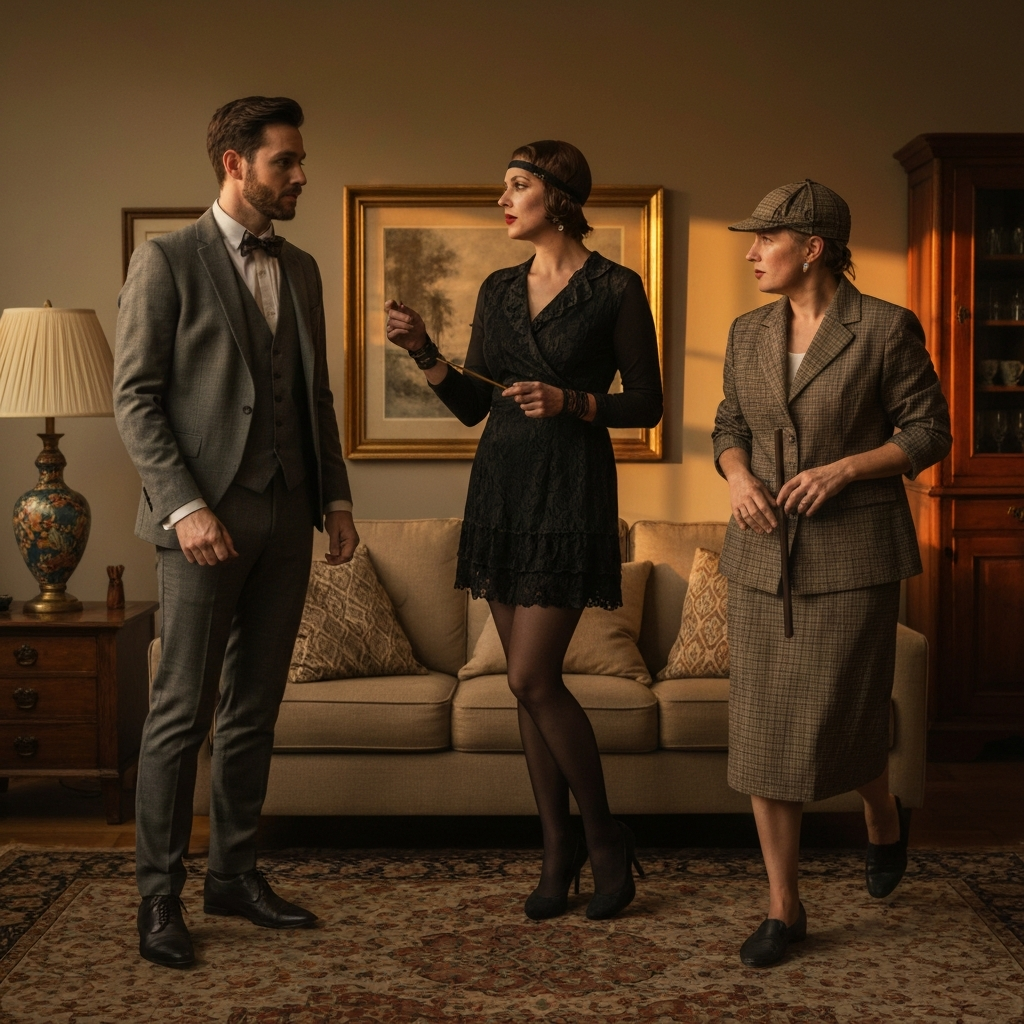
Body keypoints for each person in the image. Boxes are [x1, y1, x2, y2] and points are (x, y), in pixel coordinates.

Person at [385, 141, 662, 920]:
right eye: (503, 186)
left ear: (561, 197)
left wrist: (574, 402)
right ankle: (556, 850)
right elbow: (476, 404)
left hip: (569, 490)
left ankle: (604, 837)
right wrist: (424, 353)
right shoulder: (500, 288)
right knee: (527, 688)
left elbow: (646, 402)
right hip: (502, 487)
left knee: (530, 678)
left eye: (518, 186)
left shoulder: (615, 288)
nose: (503, 200)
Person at [114, 96, 357, 968]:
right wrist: (186, 507)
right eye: (285, 162)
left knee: (255, 706)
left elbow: (315, 396)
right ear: (234, 163)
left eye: (299, 160)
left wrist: (334, 501)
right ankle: (157, 898)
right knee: (180, 714)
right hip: (203, 523)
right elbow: (134, 396)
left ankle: (233, 872)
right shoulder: (167, 259)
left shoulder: (302, 270)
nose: (299, 175)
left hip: (289, 516)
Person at [713, 180, 951, 968]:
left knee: (839, 718)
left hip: (853, 558)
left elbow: (929, 431)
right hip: (757, 557)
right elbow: (729, 426)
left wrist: (847, 469)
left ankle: (881, 813)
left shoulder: (884, 328)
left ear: (811, 247)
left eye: (765, 239)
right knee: (761, 731)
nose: (751, 252)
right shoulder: (748, 332)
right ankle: (784, 907)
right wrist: (739, 477)